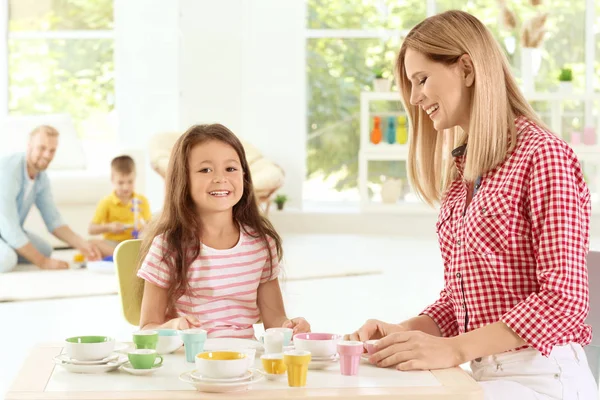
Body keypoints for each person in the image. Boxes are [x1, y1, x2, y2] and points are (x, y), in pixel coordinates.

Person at [345, 10, 598, 399]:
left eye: (422, 79)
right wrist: (408, 330)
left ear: (466, 68)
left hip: (546, 377)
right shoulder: (463, 173)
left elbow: (563, 301)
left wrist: (454, 349)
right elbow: (462, 301)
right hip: (486, 375)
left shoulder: (543, 155)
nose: (414, 98)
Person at [136, 124, 311, 337]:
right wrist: (174, 327)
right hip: (190, 362)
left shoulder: (261, 244)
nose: (220, 178)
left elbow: (274, 321)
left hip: (245, 361)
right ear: (183, 179)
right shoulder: (168, 245)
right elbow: (147, 329)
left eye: (230, 168)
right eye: (205, 170)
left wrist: (289, 327)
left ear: (244, 176)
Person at [0, 125, 101, 273]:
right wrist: (42, 262)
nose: (47, 155)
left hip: (6, 232)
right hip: (5, 229)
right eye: (41, 148)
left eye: (52, 150)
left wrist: (82, 244)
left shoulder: (41, 178)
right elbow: (9, 227)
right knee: (7, 259)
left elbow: (53, 221)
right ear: (29, 146)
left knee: (44, 249)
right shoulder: (8, 171)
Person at [88, 155, 151, 258]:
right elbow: (91, 229)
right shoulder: (106, 202)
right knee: (91, 243)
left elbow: (150, 225)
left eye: (130, 182)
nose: (126, 187)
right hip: (112, 244)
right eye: (121, 183)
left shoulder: (142, 201)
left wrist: (145, 229)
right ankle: (123, 256)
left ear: (135, 177)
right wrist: (109, 227)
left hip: (134, 243)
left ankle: (123, 256)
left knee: (150, 241)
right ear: (112, 179)